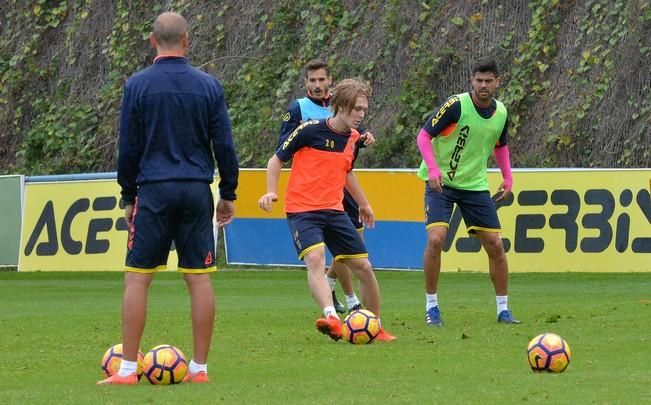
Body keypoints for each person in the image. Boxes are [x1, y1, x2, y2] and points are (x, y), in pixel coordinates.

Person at [97, 12, 239, 385]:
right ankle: (200, 369)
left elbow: (128, 146)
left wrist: (129, 195)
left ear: (151, 40)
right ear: (187, 41)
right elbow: (223, 143)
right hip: (195, 190)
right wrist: (228, 193)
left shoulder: (138, 86)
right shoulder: (209, 86)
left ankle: (127, 369)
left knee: (137, 279)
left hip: (155, 190)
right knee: (199, 278)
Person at [259, 78, 395, 342]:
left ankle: (376, 327)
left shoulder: (354, 139)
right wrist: (270, 191)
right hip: (302, 211)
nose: (361, 115)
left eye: (364, 110)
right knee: (316, 259)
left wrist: (364, 203)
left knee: (364, 267)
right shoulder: (309, 131)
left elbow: (347, 173)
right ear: (341, 106)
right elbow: (276, 159)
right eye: (357, 109)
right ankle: (331, 316)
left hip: (334, 211)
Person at [415, 57, 520, 326]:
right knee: (437, 239)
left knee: (495, 244)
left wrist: (508, 178)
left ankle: (503, 310)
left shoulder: (501, 113)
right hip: (442, 184)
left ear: (497, 82)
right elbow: (424, 136)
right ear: (471, 80)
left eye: (488, 81)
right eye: (478, 80)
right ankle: (431, 306)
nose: (483, 85)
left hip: (474, 186)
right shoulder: (456, 105)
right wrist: (434, 170)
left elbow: (500, 145)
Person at [279, 59, 373, 314]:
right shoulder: (299, 109)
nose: (317, 84)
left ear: (330, 80)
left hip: (340, 185)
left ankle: (337, 288)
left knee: (355, 250)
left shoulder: (349, 106)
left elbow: (350, 148)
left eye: (322, 79)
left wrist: (363, 141)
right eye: (312, 80)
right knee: (319, 254)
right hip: (311, 193)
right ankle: (348, 299)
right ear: (305, 82)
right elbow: (283, 149)